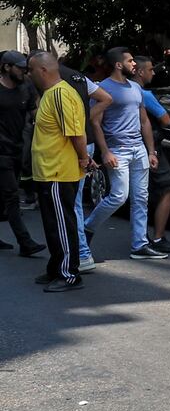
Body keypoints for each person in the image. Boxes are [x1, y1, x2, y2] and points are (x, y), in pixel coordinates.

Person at [85, 47, 166, 260]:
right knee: (119, 196)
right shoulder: (102, 88)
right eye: (130, 61)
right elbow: (95, 122)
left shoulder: (135, 88)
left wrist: (151, 151)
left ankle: (139, 245)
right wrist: (105, 152)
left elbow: (144, 121)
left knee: (141, 198)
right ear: (118, 65)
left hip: (139, 149)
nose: (134, 64)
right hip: (117, 150)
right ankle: (87, 227)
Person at [28, 51, 92, 292]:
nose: (29, 74)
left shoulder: (61, 94)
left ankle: (69, 274)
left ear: (43, 70)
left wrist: (85, 158)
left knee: (63, 225)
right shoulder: (49, 95)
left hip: (58, 172)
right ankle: (57, 267)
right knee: (53, 225)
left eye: (31, 70)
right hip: (48, 172)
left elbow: (76, 132)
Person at [62, 59, 113, 271]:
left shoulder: (52, 81)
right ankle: (80, 252)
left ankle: (81, 253)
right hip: (86, 141)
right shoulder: (79, 77)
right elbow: (106, 98)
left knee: (71, 203)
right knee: (74, 202)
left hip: (75, 143)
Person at [133, 56, 170, 254]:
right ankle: (158, 237)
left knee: (139, 194)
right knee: (167, 189)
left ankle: (140, 238)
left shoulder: (125, 90)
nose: (153, 73)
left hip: (131, 145)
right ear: (140, 72)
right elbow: (166, 120)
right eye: (150, 69)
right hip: (150, 146)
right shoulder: (145, 95)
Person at [0, 51, 44, 256]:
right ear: (7, 67)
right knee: (11, 196)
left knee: (4, 196)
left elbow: (34, 112)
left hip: (18, 149)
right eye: (20, 68)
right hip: (1, 153)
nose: (24, 71)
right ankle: (25, 243)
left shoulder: (26, 87)